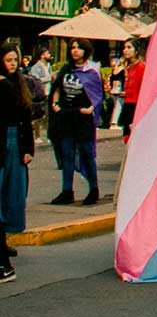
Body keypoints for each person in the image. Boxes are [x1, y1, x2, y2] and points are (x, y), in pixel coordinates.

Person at [48, 39, 103, 205]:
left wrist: (91, 109)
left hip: (82, 117)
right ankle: (67, 190)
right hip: (66, 116)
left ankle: (93, 189)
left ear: (86, 51)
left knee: (86, 152)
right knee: (67, 154)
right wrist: (55, 103)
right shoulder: (66, 69)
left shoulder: (92, 71)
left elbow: (97, 95)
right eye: (72, 47)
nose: (75, 51)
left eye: (79, 48)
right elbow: (57, 88)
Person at [0, 43, 35, 284]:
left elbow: (24, 117)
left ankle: (4, 262)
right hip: (6, 140)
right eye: (8, 59)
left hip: (12, 141)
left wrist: (28, 149)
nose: (13, 63)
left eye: (15, 59)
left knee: (10, 195)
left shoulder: (13, 84)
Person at [118, 38, 146, 141]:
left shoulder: (141, 67)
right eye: (124, 48)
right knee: (126, 136)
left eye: (129, 47)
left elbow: (143, 89)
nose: (125, 50)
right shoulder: (131, 67)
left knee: (132, 137)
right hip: (128, 103)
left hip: (135, 105)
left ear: (137, 50)